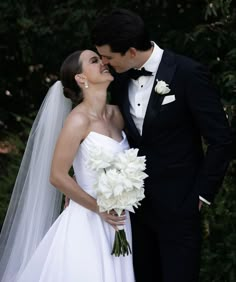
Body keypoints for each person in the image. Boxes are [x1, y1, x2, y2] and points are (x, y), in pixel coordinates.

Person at [91, 8, 232, 282]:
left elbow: (221, 139)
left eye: (108, 56)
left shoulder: (188, 73)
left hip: (181, 207)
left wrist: (202, 195)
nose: (105, 63)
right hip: (135, 212)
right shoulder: (118, 80)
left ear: (131, 51)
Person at [0, 50, 135, 282]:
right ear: (81, 79)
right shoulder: (77, 120)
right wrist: (99, 208)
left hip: (120, 220)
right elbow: (57, 175)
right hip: (89, 221)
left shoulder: (117, 115)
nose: (103, 63)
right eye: (94, 61)